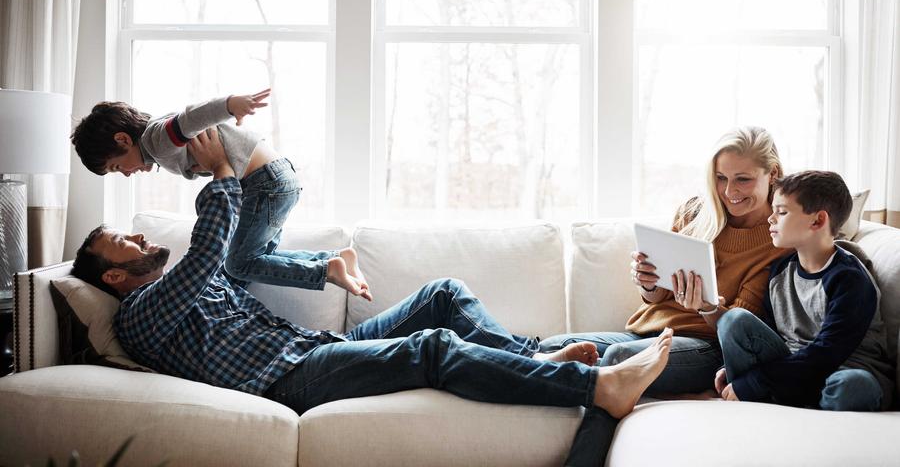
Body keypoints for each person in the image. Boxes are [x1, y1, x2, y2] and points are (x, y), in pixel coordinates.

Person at [70, 127, 676, 425]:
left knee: (442, 296)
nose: (143, 237)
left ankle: (534, 361)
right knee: (432, 349)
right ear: (116, 278)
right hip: (288, 381)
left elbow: (229, 259)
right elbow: (207, 253)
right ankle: (595, 388)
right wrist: (223, 173)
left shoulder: (188, 286)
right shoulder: (141, 315)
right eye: (125, 241)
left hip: (315, 351)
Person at [541, 126, 791, 466]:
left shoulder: (780, 237)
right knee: (553, 347)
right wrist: (648, 283)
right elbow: (659, 296)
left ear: (772, 173)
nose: (729, 191)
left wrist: (706, 307)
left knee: (618, 359)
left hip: (706, 347)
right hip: (649, 332)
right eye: (720, 178)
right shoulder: (695, 212)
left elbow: (740, 328)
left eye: (743, 179)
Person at [70, 91, 371, 302]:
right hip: (273, 180)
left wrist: (230, 105)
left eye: (117, 166)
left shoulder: (156, 139)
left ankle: (327, 269)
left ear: (123, 140)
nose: (124, 173)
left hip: (264, 183)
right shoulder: (156, 142)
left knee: (238, 265)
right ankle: (334, 260)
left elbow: (190, 118)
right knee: (249, 260)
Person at [715, 170, 893, 410]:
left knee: (851, 385)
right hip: (792, 369)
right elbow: (768, 333)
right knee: (733, 320)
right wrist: (733, 366)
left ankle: (797, 409)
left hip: (842, 369)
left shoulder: (849, 278)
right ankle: (778, 403)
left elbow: (827, 353)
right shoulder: (780, 271)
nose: (771, 219)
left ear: (818, 221)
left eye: (782, 212)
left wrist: (756, 380)